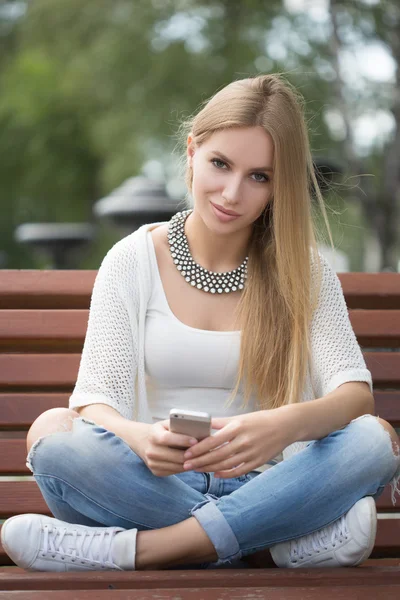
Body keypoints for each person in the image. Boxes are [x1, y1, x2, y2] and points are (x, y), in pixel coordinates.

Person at [2, 73, 400, 572]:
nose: (232, 193)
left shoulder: (306, 269)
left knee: (374, 439)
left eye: (260, 176)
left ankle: (139, 552)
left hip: (273, 483)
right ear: (192, 151)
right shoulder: (133, 260)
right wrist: (139, 438)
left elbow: (354, 396)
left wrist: (279, 427)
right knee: (53, 435)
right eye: (220, 164)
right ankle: (276, 548)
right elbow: (93, 402)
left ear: (281, 187)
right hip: (154, 483)